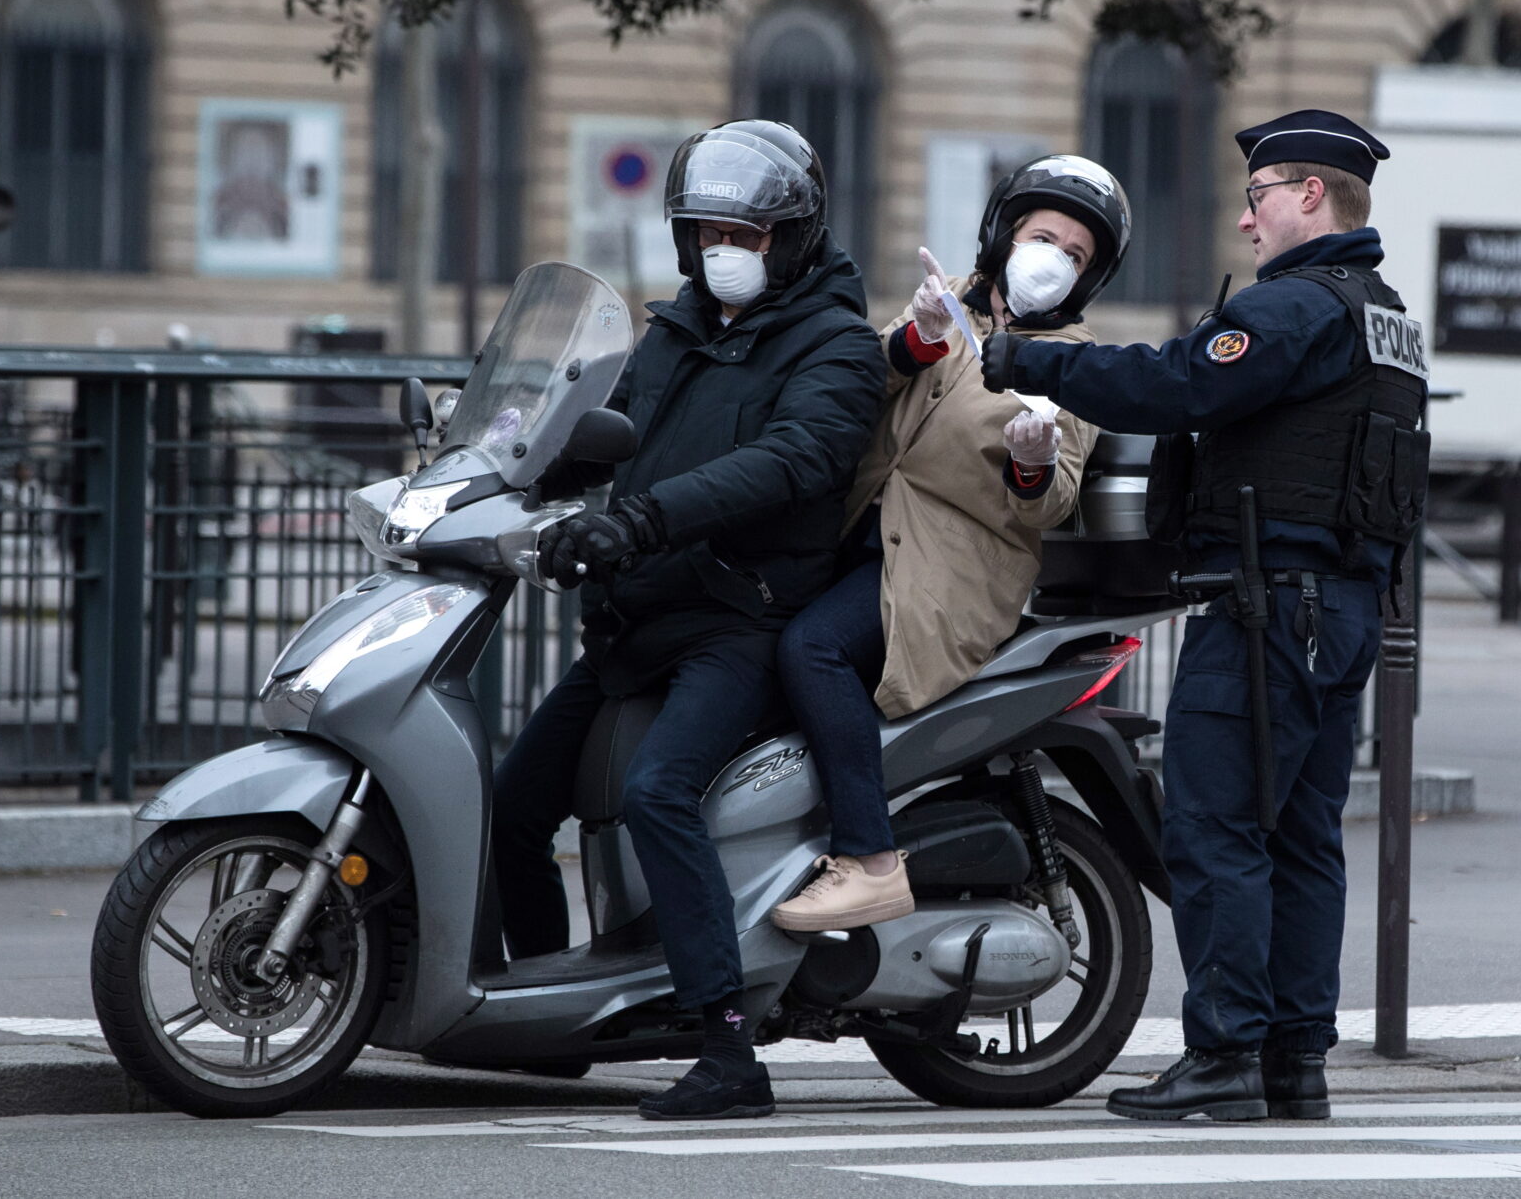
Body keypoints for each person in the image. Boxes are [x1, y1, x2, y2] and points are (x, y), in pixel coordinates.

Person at [979, 110, 1429, 1122]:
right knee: (1302, 838)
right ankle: (1290, 1063)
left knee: (1216, 828)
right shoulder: (1385, 314)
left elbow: (1178, 379)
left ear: (1308, 194)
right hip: (1342, 606)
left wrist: (1024, 360)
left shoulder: (1295, 308)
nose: (1245, 220)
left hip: (1269, 607)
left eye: (1259, 196)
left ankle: (1223, 1056)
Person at [493, 120, 886, 1121]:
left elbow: (794, 461)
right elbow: (603, 429)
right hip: (638, 615)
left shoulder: (836, 345)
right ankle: (552, 1015)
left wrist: (641, 521)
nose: (723, 252)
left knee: (660, 790)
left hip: (735, 616)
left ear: (790, 241)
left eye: (744, 236)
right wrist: (502, 461)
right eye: (705, 231)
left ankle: (726, 1047)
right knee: (515, 801)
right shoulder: (673, 330)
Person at [766, 156, 1132, 931]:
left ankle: (868, 859)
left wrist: (1032, 466)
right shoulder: (949, 304)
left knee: (812, 650)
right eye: (1043, 238)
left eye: (1074, 255)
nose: (1053, 260)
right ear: (1003, 234)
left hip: (945, 575)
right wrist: (914, 343)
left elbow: (1054, 495)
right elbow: (851, 393)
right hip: (855, 537)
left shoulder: (1079, 361)